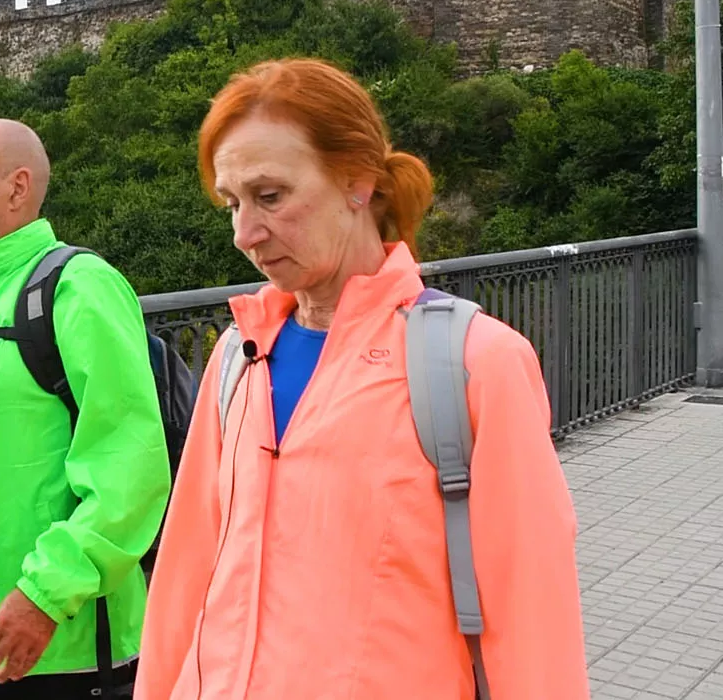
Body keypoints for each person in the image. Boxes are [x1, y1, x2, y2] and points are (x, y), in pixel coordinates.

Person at [134, 58, 589, 699]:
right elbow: (186, 577)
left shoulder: (473, 362)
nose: (244, 233)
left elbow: (532, 617)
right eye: (232, 203)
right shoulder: (238, 356)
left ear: (358, 181)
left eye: (270, 196)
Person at [0, 118, 172, 699]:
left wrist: (44, 596)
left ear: (18, 188)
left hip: (53, 652)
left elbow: (130, 470)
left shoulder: (77, 286)